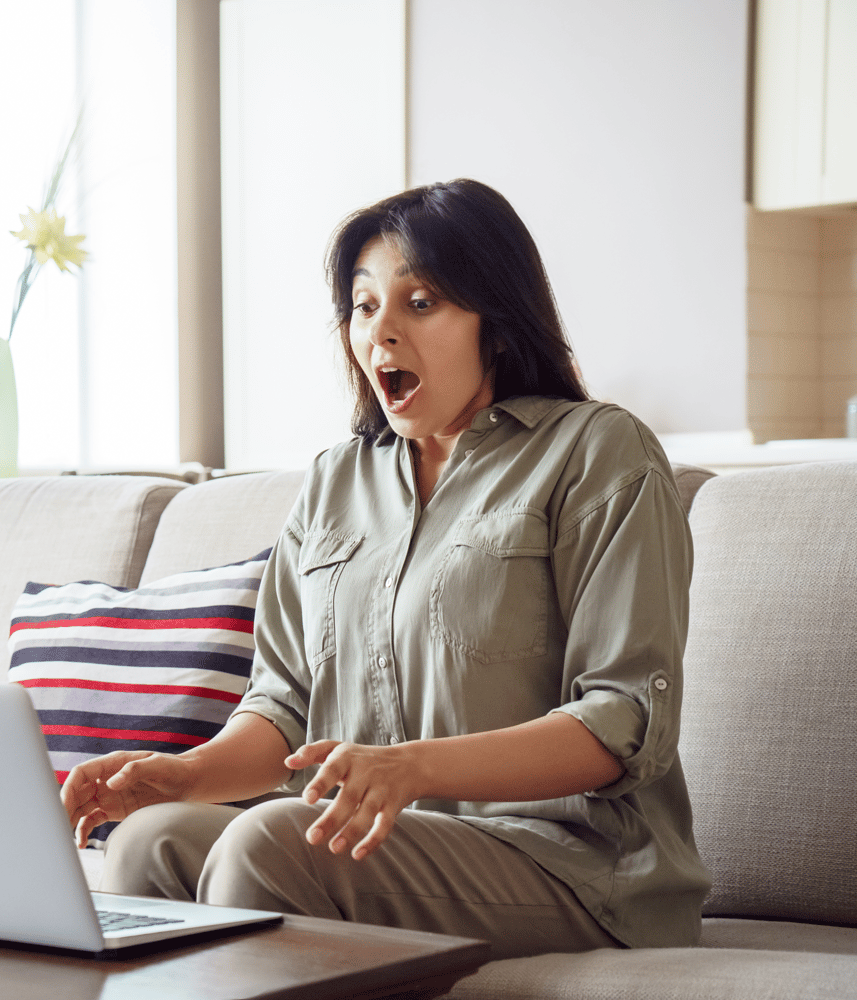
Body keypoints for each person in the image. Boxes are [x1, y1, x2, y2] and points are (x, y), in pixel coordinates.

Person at [61, 179, 710, 960]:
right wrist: (180, 776)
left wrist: (412, 768)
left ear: (496, 324)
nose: (382, 333)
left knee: (269, 840)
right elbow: (283, 708)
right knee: (148, 842)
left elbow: (624, 719)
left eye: (422, 302)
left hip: (568, 860)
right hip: (376, 843)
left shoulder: (596, 452)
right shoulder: (336, 480)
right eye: (365, 307)